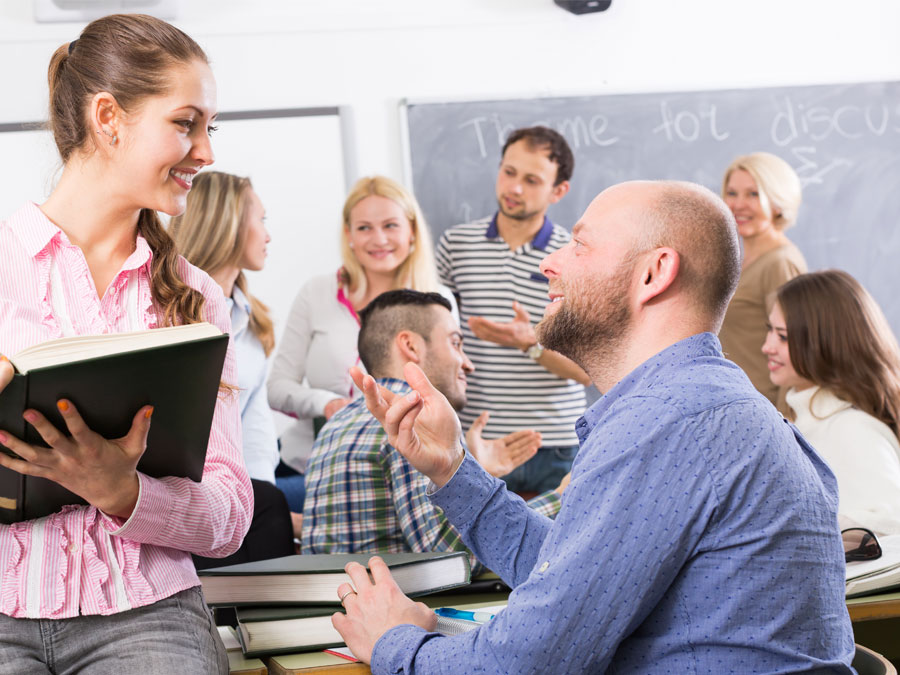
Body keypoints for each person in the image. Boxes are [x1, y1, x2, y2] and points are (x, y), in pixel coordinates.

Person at [334, 180, 854, 672]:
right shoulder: (699, 404)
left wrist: (394, 643)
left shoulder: (665, 423)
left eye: (578, 247)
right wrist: (452, 469)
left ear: (654, 273)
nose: (549, 263)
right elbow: (576, 577)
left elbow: (530, 665)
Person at [0, 14, 251, 674]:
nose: (206, 151)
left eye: (209, 128)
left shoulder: (195, 298)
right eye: (185, 123)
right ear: (108, 118)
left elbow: (230, 517)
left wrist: (124, 493)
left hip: (150, 616)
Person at [302, 289, 559, 561]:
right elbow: (449, 556)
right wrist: (563, 499)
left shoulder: (336, 425)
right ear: (411, 346)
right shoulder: (416, 418)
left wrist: (469, 471)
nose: (468, 364)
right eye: (456, 343)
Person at [266, 175, 456, 513]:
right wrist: (325, 403)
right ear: (349, 235)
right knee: (261, 506)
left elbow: (449, 388)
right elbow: (278, 388)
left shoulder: (438, 301)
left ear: (412, 232)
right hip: (311, 466)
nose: (378, 239)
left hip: (406, 469)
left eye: (390, 225)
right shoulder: (316, 293)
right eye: (364, 228)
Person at [435, 125, 589, 495]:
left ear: (558, 190)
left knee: (560, 548)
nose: (515, 188)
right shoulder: (456, 245)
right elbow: (438, 341)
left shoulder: (575, 254)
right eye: (509, 172)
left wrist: (530, 343)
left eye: (532, 180)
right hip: (474, 440)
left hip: (555, 445)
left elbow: (587, 370)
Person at [170, 171, 295, 563]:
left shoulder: (251, 321)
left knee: (270, 503)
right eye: (261, 220)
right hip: (180, 487)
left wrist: (258, 506)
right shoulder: (167, 313)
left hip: (233, 492)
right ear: (225, 225)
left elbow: (256, 436)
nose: (268, 235)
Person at [763, 270, 900, 535]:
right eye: (769, 330)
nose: (766, 347)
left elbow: (890, 524)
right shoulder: (809, 421)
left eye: (782, 337)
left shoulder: (852, 429)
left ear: (825, 342)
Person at [718, 151, 807, 411]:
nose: (738, 204)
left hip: (765, 412)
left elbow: (796, 352)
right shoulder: (741, 260)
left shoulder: (780, 263)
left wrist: (785, 424)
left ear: (778, 202)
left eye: (753, 194)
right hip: (737, 406)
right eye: (732, 193)